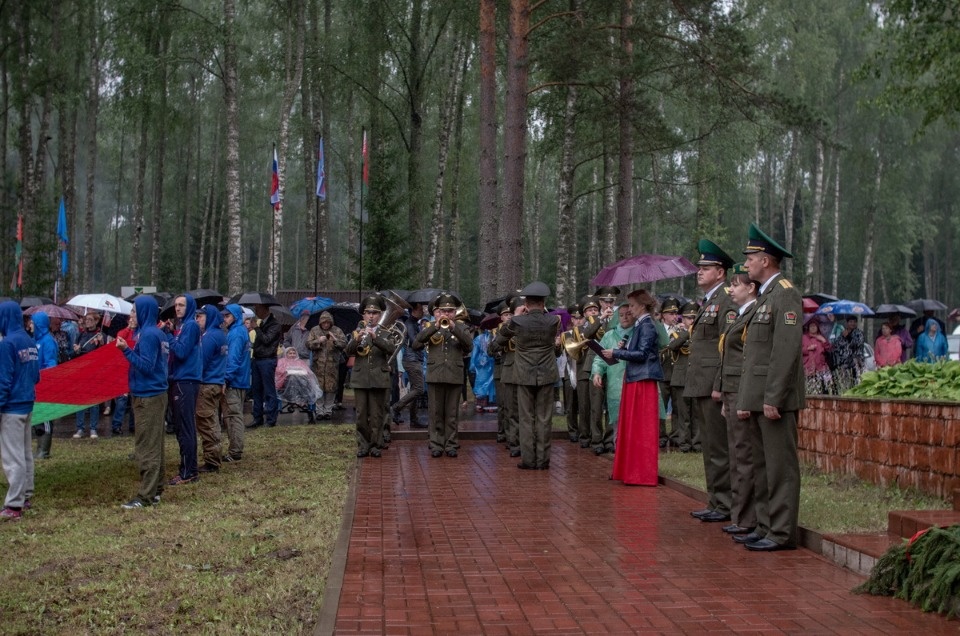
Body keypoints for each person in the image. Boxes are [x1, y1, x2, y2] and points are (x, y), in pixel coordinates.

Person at [734, 223, 805, 552]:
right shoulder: (765, 297)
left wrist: (773, 397)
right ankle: (765, 525)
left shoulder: (786, 293)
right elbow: (754, 354)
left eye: (750, 258)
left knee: (780, 468)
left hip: (775, 399)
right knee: (762, 466)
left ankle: (780, 532)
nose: (746, 264)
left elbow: (785, 351)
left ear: (765, 260)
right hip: (758, 397)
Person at [686, 239, 738, 524]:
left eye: (706, 267)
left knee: (719, 447)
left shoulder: (726, 301)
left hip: (713, 385)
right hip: (701, 383)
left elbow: (726, 347)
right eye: (699, 267)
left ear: (721, 272)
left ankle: (725, 502)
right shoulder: (709, 303)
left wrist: (720, 384)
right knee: (709, 446)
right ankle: (716, 499)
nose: (699, 272)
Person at [712, 264, 759, 536]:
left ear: (750, 288)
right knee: (735, 454)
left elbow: (747, 362)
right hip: (732, 392)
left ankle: (747, 518)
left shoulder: (753, 313)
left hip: (741, 393)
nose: (731, 290)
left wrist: (741, 398)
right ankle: (740, 515)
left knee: (744, 457)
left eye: (736, 285)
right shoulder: (740, 315)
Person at [494, 282, 561, 470]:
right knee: (544, 417)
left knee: (526, 417)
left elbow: (497, 342)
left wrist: (513, 318)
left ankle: (529, 459)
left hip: (524, 374)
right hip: (547, 373)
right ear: (543, 302)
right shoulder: (554, 321)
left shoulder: (517, 322)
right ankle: (543, 460)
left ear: (526, 303)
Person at [603, 290, 662, 485]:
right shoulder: (641, 325)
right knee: (633, 426)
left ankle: (640, 472)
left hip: (642, 379)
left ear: (642, 306)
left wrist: (618, 353)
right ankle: (632, 469)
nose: (630, 309)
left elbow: (643, 354)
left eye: (633, 306)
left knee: (640, 426)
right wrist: (624, 348)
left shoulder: (647, 326)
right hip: (636, 377)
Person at [117, 296, 169, 509]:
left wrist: (126, 351)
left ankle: (145, 496)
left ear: (144, 312)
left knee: (146, 445)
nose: (131, 316)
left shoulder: (147, 335)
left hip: (148, 396)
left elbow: (146, 366)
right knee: (156, 444)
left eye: (135, 312)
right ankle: (156, 490)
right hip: (155, 393)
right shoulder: (156, 333)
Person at [413, 292, 473, 458]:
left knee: (452, 413)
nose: (447, 314)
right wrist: (435, 326)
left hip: (454, 374)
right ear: (436, 312)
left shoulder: (462, 327)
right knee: (436, 412)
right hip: (435, 374)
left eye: (450, 311)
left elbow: (469, 346)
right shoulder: (430, 327)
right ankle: (436, 444)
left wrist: (454, 327)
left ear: (455, 312)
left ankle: (451, 444)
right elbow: (416, 344)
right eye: (443, 311)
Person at [0, 301, 40, 520]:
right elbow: (37, 376)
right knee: (25, 454)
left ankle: (13, 505)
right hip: (27, 404)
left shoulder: (7, 344)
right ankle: (25, 496)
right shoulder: (29, 341)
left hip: (11, 408)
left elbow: (3, 380)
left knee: (12, 457)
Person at [345, 295, 393, 458]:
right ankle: (363, 445)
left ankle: (376, 444)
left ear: (380, 315)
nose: (371, 316)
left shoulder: (385, 332)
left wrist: (375, 337)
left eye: (375, 313)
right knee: (361, 414)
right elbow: (348, 351)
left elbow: (391, 349)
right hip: (360, 378)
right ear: (363, 315)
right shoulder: (357, 332)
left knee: (377, 414)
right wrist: (357, 339)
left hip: (378, 378)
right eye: (368, 313)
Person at [166, 294, 202, 486]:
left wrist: (168, 336)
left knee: (186, 428)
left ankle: (189, 471)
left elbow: (180, 352)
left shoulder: (190, 326)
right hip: (182, 379)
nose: (177, 308)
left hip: (185, 380)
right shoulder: (184, 327)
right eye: (176, 305)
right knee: (181, 427)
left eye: (181, 305)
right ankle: (187, 468)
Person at [592, 303, 634, 454]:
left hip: (634, 384)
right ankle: (620, 458)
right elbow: (600, 357)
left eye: (628, 314)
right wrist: (597, 372)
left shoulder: (638, 332)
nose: (624, 317)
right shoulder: (610, 335)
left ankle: (632, 457)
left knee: (633, 424)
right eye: (621, 315)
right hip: (615, 386)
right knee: (617, 424)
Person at [196, 304, 227, 472]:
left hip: (206, 384)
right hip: (216, 383)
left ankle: (212, 461)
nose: (197, 320)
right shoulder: (221, 335)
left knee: (206, 423)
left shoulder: (209, 337)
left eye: (200, 316)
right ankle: (215, 455)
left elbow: (201, 362)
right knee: (212, 421)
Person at [221, 304, 251, 462]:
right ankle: (235, 449)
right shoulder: (238, 331)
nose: (224, 319)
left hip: (234, 380)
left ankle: (235, 451)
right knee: (234, 415)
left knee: (233, 416)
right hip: (240, 379)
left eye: (227, 316)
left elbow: (233, 359)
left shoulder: (236, 333)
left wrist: (226, 378)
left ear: (235, 316)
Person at [577, 295, 606, 452]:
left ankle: (605, 438)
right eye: (589, 311)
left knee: (602, 406)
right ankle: (593, 439)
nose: (593, 312)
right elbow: (588, 334)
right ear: (584, 314)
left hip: (609, 366)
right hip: (590, 368)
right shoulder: (581, 328)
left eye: (595, 309)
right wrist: (600, 319)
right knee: (590, 406)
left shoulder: (605, 324)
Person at [390, 303, 426, 427]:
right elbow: (415, 343)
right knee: (419, 389)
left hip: (413, 359)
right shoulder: (410, 324)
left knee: (414, 389)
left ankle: (414, 420)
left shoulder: (414, 323)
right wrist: (426, 336)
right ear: (413, 311)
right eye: (421, 309)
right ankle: (396, 407)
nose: (423, 311)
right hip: (412, 360)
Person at [307, 310, 346, 420]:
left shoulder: (337, 330)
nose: (326, 324)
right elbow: (308, 344)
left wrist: (335, 340)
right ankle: (319, 411)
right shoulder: (314, 330)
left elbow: (344, 344)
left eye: (328, 323)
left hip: (332, 364)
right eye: (324, 323)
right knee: (319, 387)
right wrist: (317, 341)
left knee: (331, 388)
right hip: (318, 364)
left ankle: (328, 410)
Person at [248, 303, 282, 428]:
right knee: (256, 390)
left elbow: (267, 340)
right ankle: (257, 417)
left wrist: (256, 328)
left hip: (267, 360)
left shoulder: (275, 325)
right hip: (257, 358)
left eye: (257, 309)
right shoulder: (263, 323)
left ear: (265, 309)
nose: (256, 311)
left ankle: (271, 418)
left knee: (269, 390)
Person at [73, 312, 105, 438]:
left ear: (96, 321)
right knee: (80, 399)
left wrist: (102, 344)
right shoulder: (81, 335)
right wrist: (76, 350)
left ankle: (93, 428)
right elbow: (74, 353)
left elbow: (103, 355)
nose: (88, 322)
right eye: (86, 320)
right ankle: (80, 427)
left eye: (91, 320)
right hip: (82, 370)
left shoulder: (99, 335)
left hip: (94, 371)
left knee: (94, 401)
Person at [31, 312, 58, 459]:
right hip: (35, 385)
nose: (30, 325)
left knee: (46, 418)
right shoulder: (35, 340)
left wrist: (43, 377)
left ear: (39, 324)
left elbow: (51, 364)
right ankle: (39, 448)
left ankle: (44, 450)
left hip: (45, 385)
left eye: (33, 323)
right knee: (38, 418)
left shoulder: (48, 341)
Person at [657, 297, 680, 448]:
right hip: (662, 372)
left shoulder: (681, 330)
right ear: (663, 315)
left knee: (678, 407)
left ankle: (676, 435)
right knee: (661, 407)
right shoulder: (658, 330)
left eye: (675, 313)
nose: (674, 316)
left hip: (677, 373)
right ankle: (661, 435)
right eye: (670, 313)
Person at [276, 347, 322, 420]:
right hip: (285, 385)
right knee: (292, 377)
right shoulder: (281, 361)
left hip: (301, 386)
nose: (292, 355)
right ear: (286, 354)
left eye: (294, 353)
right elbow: (279, 372)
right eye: (290, 353)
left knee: (303, 380)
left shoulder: (300, 362)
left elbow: (307, 372)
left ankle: (308, 407)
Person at [558, 303, 583, 443]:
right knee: (570, 404)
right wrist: (556, 344)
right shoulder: (565, 335)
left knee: (584, 404)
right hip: (569, 372)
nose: (578, 321)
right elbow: (557, 353)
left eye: (580, 318)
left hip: (583, 371)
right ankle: (572, 430)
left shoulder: (588, 332)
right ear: (571, 320)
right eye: (575, 318)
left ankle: (585, 430)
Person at [831, 317, 864, 392]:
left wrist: (848, 337)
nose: (852, 323)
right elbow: (837, 345)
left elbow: (858, 344)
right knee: (844, 384)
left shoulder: (859, 333)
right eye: (850, 322)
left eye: (854, 322)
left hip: (856, 362)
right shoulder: (843, 332)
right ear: (847, 323)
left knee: (856, 382)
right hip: (844, 363)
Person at [802, 320, 833, 394]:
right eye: (811, 326)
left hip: (821, 367)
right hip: (808, 367)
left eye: (814, 326)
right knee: (809, 389)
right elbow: (798, 350)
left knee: (823, 389)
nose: (813, 328)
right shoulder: (804, 337)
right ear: (808, 328)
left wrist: (823, 340)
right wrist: (808, 349)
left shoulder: (821, 337)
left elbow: (829, 349)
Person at [470, 327, 496, 413]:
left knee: (492, 384)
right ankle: (480, 404)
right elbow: (475, 352)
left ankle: (492, 404)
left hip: (493, 363)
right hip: (482, 364)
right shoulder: (479, 338)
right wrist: (473, 364)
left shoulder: (496, 336)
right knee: (481, 383)